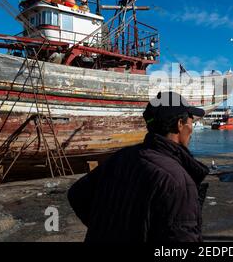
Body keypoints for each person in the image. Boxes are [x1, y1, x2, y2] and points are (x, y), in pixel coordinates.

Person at [67, 92, 210, 242]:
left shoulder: (121, 157)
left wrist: (103, 228)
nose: (191, 128)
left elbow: (77, 194)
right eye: (191, 122)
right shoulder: (177, 181)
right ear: (180, 124)